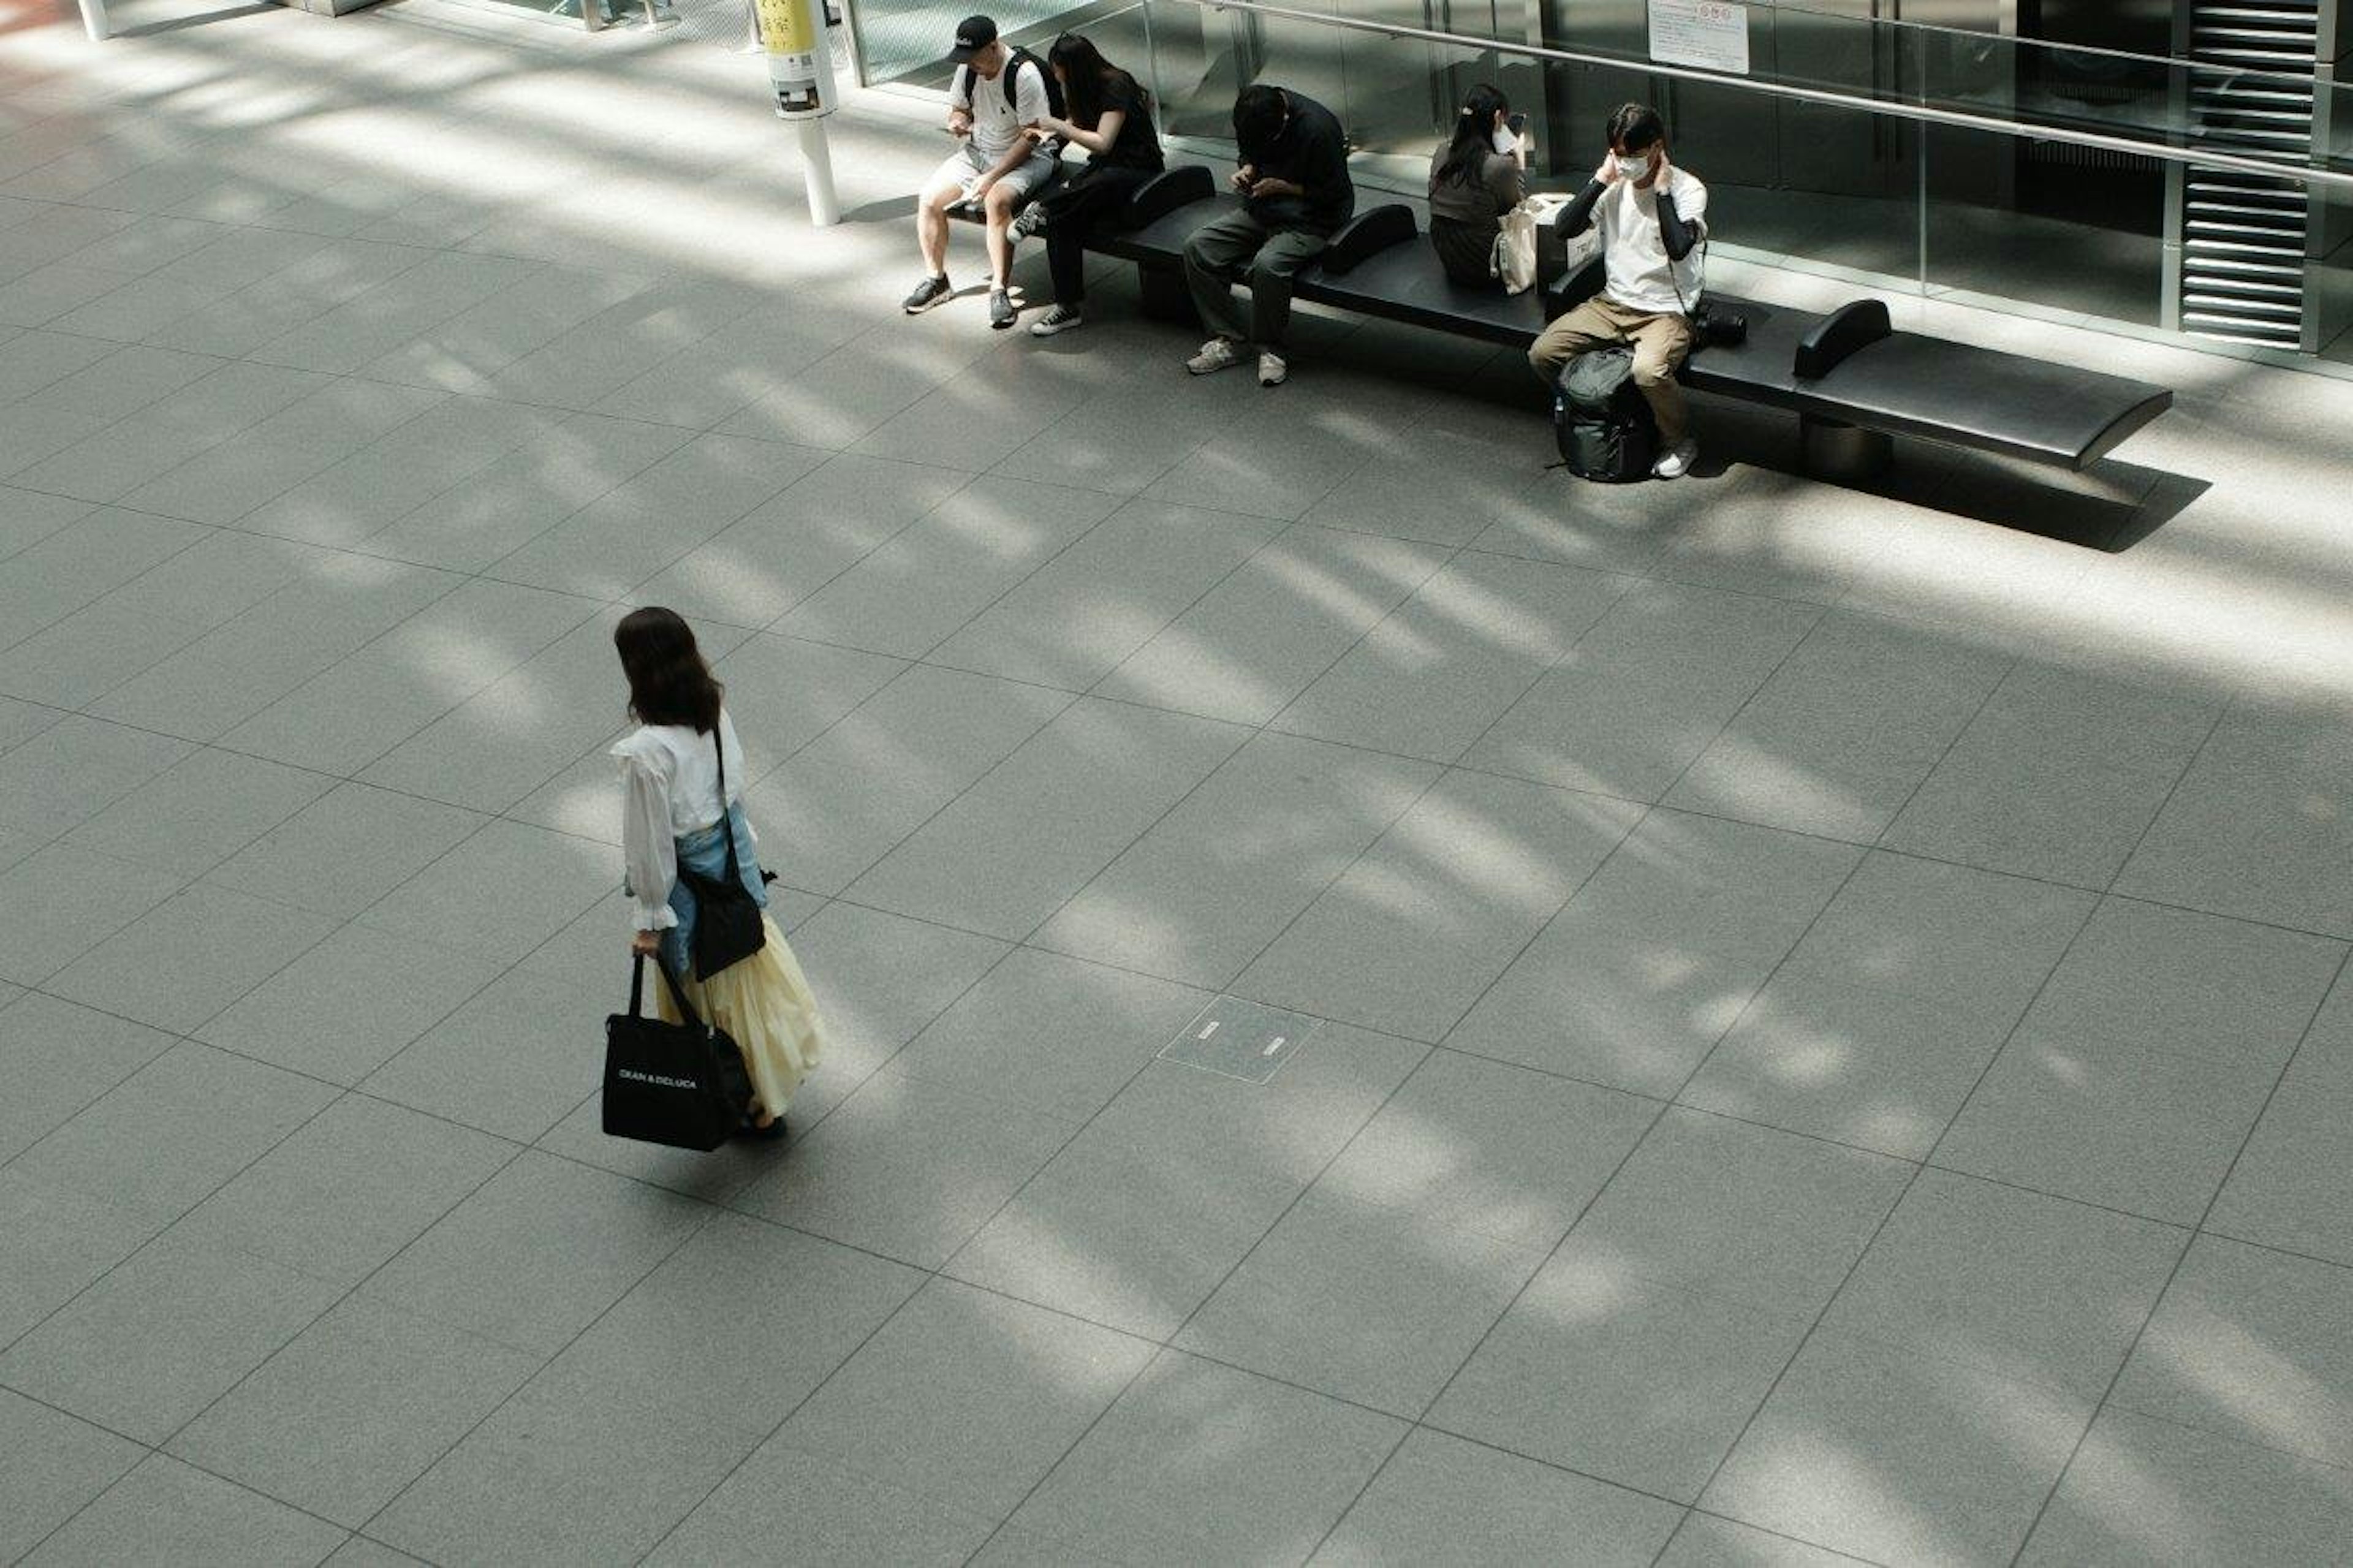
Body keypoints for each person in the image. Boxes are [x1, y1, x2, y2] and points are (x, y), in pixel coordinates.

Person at [613, 607, 824, 1137]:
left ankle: (731, 1093)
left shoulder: (647, 754)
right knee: (751, 987)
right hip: (731, 874)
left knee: (702, 993)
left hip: (688, 887)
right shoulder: (714, 712)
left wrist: (650, 918)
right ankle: (765, 1096)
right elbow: (732, 799)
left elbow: (652, 849)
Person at [1528, 104, 1710, 479]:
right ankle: (1592, 410)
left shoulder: (1688, 189)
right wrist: (1599, 181)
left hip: (1666, 311)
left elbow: (1679, 247)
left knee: (1649, 372)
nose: (1625, 164)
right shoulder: (1613, 188)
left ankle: (1679, 440)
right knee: (1542, 353)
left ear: (1657, 147)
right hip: (1613, 303)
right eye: (1618, 155)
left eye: (1633, 156)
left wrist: (1661, 194)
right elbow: (1564, 229)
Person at [1181, 83, 1354, 388]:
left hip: (1314, 216)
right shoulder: (1253, 116)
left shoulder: (1318, 129)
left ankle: (1270, 348)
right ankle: (1229, 338)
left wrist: (1285, 187)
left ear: (1284, 119)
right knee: (1199, 246)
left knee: (1268, 265)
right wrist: (1248, 169)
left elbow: (1334, 193)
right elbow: (1249, 151)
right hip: (1265, 206)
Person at [904, 15, 1063, 330]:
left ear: (993, 47)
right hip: (978, 152)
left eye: (974, 57)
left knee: (997, 201)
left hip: (1029, 156)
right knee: (929, 199)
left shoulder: (1023, 75)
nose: (969, 64)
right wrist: (957, 120)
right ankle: (938, 281)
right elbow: (959, 107)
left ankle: (999, 289)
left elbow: (1031, 136)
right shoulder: (968, 68)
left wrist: (992, 178)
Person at [1008, 34, 1165, 338]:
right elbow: (1076, 126)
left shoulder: (1116, 85)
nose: (1056, 76)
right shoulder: (1082, 88)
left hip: (1139, 169)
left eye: (1058, 69)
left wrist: (1057, 125)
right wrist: (1050, 138)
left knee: (1100, 181)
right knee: (1062, 221)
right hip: (1108, 167)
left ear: (1073, 68)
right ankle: (1067, 306)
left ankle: (1041, 207)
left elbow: (1103, 142)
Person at [1427, 83, 1527, 289]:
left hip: (1449, 257)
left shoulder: (1441, 152)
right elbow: (1518, 211)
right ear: (1498, 117)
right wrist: (1519, 163)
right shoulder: (1498, 166)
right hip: (1487, 265)